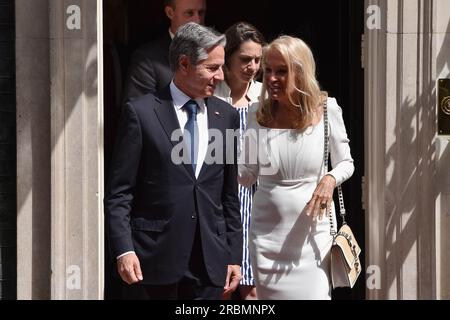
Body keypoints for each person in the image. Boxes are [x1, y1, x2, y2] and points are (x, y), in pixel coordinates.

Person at [105, 22, 242, 300]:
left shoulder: (226, 116)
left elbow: (228, 195)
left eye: (221, 67)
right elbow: (120, 193)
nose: (220, 76)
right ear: (183, 64)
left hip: (209, 265)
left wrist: (233, 255)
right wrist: (124, 249)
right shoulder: (141, 113)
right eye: (212, 68)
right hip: (153, 262)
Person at [238, 35, 354, 299]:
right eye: (268, 70)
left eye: (282, 71)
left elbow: (346, 162)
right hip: (266, 239)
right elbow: (245, 176)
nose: (271, 78)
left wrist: (329, 179)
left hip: (313, 239)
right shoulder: (258, 114)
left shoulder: (327, 110)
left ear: (300, 73)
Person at [214, 22, 265, 300]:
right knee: (221, 286)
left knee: (252, 291)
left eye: (258, 60)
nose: (253, 66)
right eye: (245, 59)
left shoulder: (264, 97)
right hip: (220, 201)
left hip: (257, 202)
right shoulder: (211, 96)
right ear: (227, 57)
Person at [123, 0, 207, 101]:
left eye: (201, 13)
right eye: (189, 13)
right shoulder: (148, 59)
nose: (197, 20)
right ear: (170, 13)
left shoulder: (214, 53)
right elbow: (138, 113)